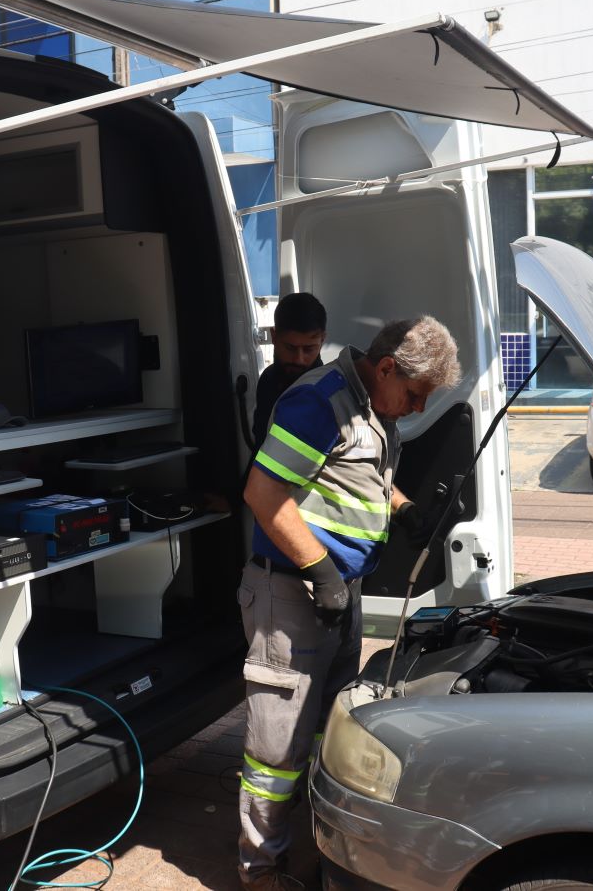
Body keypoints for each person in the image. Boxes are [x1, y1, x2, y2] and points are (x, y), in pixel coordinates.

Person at [236, 316, 461, 891]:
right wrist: (320, 572)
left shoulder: (373, 409)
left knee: (325, 733)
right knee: (276, 752)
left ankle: (311, 851)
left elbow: (358, 478)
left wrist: (404, 508)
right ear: (386, 367)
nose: (414, 409)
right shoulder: (320, 402)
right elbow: (264, 493)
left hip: (336, 594)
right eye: (413, 395)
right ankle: (261, 874)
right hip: (291, 593)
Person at [252, 294, 327, 451]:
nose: (299, 359)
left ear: (322, 340)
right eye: (290, 348)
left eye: (308, 349)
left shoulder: (330, 392)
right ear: (274, 336)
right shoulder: (267, 380)